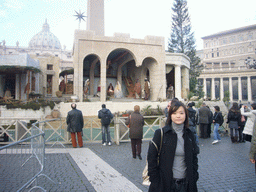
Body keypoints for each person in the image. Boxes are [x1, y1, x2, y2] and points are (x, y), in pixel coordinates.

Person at [147, 101, 199, 192]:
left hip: (186, 185)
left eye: (181, 113)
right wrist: (155, 181)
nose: (178, 116)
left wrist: (194, 176)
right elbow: (151, 158)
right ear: (170, 115)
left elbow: (194, 157)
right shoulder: (160, 134)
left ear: (186, 115)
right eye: (174, 113)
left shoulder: (189, 134)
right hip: (165, 184)